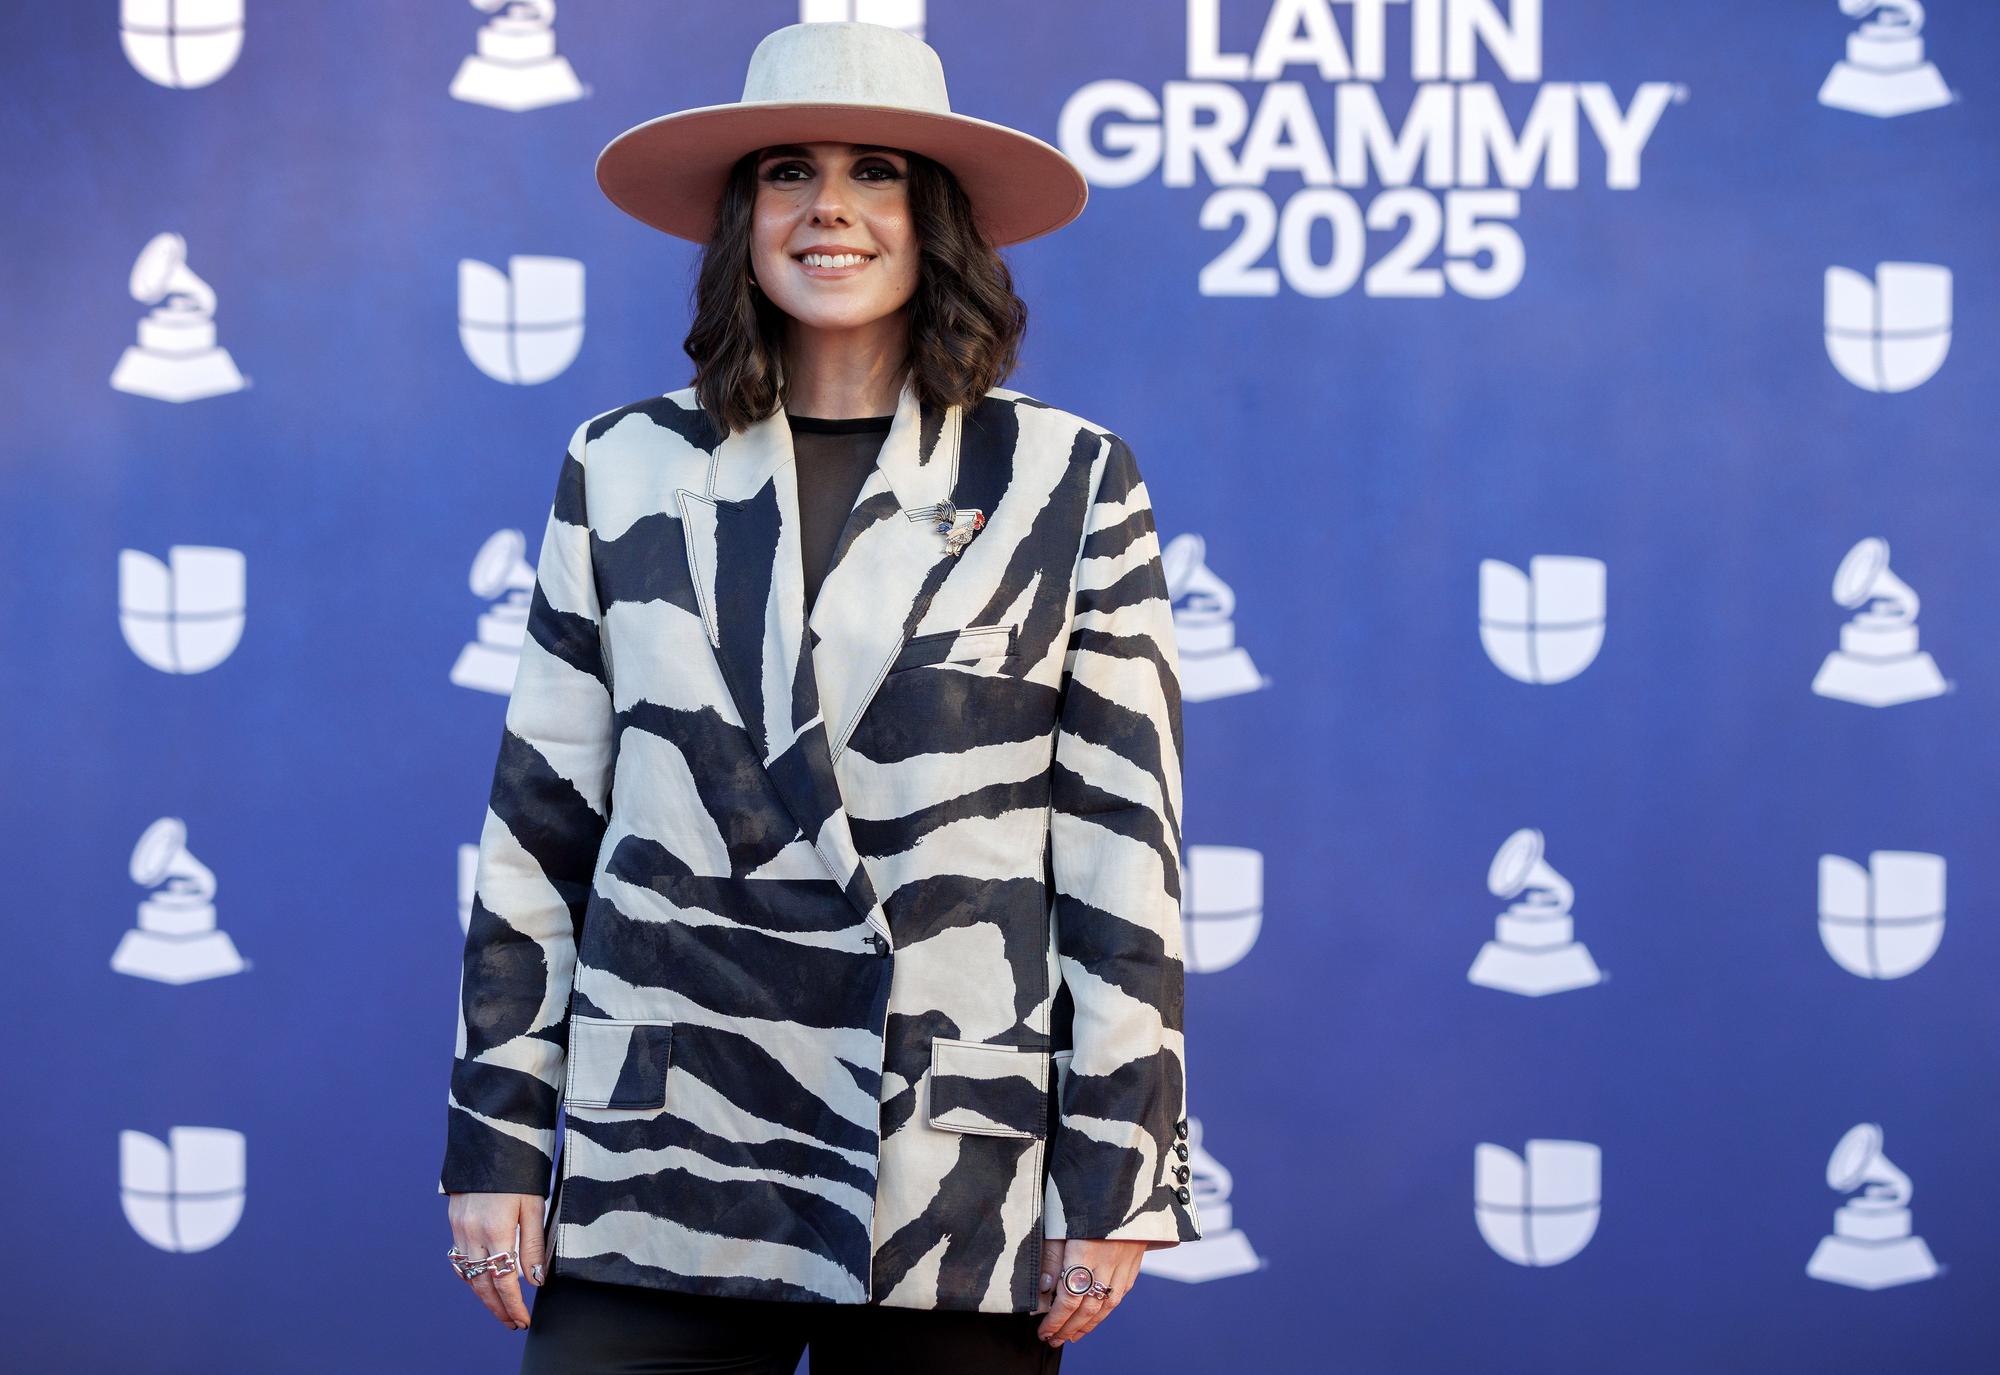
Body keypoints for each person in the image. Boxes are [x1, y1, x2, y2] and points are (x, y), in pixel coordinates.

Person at [439, 20, 1199, 1373]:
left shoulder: (1068, 481)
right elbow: (537, 841)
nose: (831, 208)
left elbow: (1120, 856)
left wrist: (1122, 1169)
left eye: (879, 172)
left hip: (943, 1164)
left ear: (940, 220)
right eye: (789, 170)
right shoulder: (619, 466)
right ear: (744, 219)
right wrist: (497, 1135)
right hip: (667, 1141)